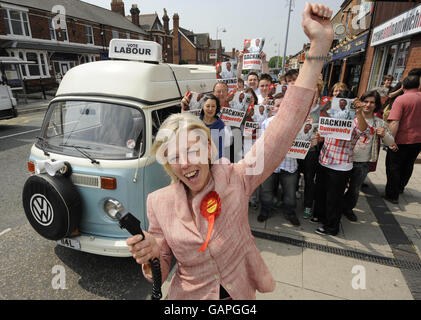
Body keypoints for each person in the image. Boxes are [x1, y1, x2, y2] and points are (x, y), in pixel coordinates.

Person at [126, 2, 334, 300]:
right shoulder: (157, 202)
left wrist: (318, 48)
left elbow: (283, 128)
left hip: (238, 293)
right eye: (174, 157)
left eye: (192, 150)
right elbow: (164, 262)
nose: (185, 163)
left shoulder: (237, 177)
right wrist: (153, 254)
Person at [312, 96, 369, 236]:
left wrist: (359, 112)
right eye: (339, 101)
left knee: (334, 198)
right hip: (324, 160)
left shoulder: (355, 120)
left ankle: (331, 227)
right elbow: (322, 136)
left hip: (341, 166)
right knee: (321, 193)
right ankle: (321, 216)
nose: (341, 104)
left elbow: (364, 131)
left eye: (345, 102)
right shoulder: (331, 118)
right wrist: (319, 136)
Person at [343, 90, 396, 221]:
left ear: (376, 105)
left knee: (354, 189)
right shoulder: (350, 117)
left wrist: (384, 134)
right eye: (365, 101)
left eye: (372, 102)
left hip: (363, 162)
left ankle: (348, 209)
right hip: (344, 159)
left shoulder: (379, 122)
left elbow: (390, 142)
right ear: (360, 102)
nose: (368, 105)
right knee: (338, 186)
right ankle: (336, 206)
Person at [258, 93, 301, 226]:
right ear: (273, 108)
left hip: (289, 164)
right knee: (266, 190)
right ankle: (265, 211)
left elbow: (302, 143)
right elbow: (261, 143)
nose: (281, 108)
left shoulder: (298, 124)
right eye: (278, 105)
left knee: (290, 192)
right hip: (270, 164)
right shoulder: (266, 123)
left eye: (284, 105)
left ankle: (290, 213)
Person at [384, 75, 421, 204]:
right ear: (418, 85)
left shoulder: (401, 100)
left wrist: (390, 141)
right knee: (408, 164)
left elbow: (394, 122)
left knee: (393, 166)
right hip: (418, 140)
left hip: (401, 140)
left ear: (403, 86)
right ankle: (400, 187)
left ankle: (392, 195)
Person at [200, 94, 225, 159]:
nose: (210, 109)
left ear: (216, 107)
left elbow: (220, 147)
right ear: (203, 107)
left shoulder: (220, 124)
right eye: (207, 106)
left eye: (213, 106)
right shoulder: (197, 121)